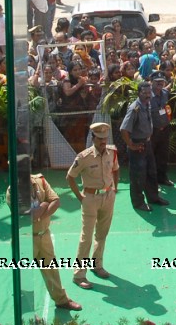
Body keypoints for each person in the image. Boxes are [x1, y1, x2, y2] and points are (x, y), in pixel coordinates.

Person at [6, 155, 82, 311]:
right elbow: (30, 216)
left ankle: (61, 300)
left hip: (43, 234)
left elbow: (56, 201)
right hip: (25, 240)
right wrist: (44, 205)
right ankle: (24, 309)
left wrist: (40, 211)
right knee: (23, 276)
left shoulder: (40, 181)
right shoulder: (12, 192)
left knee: (52, 270)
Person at [67, 123, 118, 290]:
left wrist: (114, 188)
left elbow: (115, 170)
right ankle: (79, 275)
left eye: (105, 138)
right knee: (86, 237)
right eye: (100, 138)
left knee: (102, 234)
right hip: (90, 198)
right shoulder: (84, 157)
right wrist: (80, 197)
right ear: (93, 138)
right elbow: (70, 177)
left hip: (108, 197)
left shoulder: (112, 152)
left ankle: (97, 265)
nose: (103, 141)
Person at [119, 83, 167, 211]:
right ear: (139, 93)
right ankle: (138, 202)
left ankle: (153, 197)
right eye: (144, 93)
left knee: (151, 172)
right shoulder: (134, 108)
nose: (147, 95)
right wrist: (131, 145)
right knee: (138, 176)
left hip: (147, 143)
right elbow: (124, 129)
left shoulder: (147, 104)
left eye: (148, 92)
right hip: (138, 145)